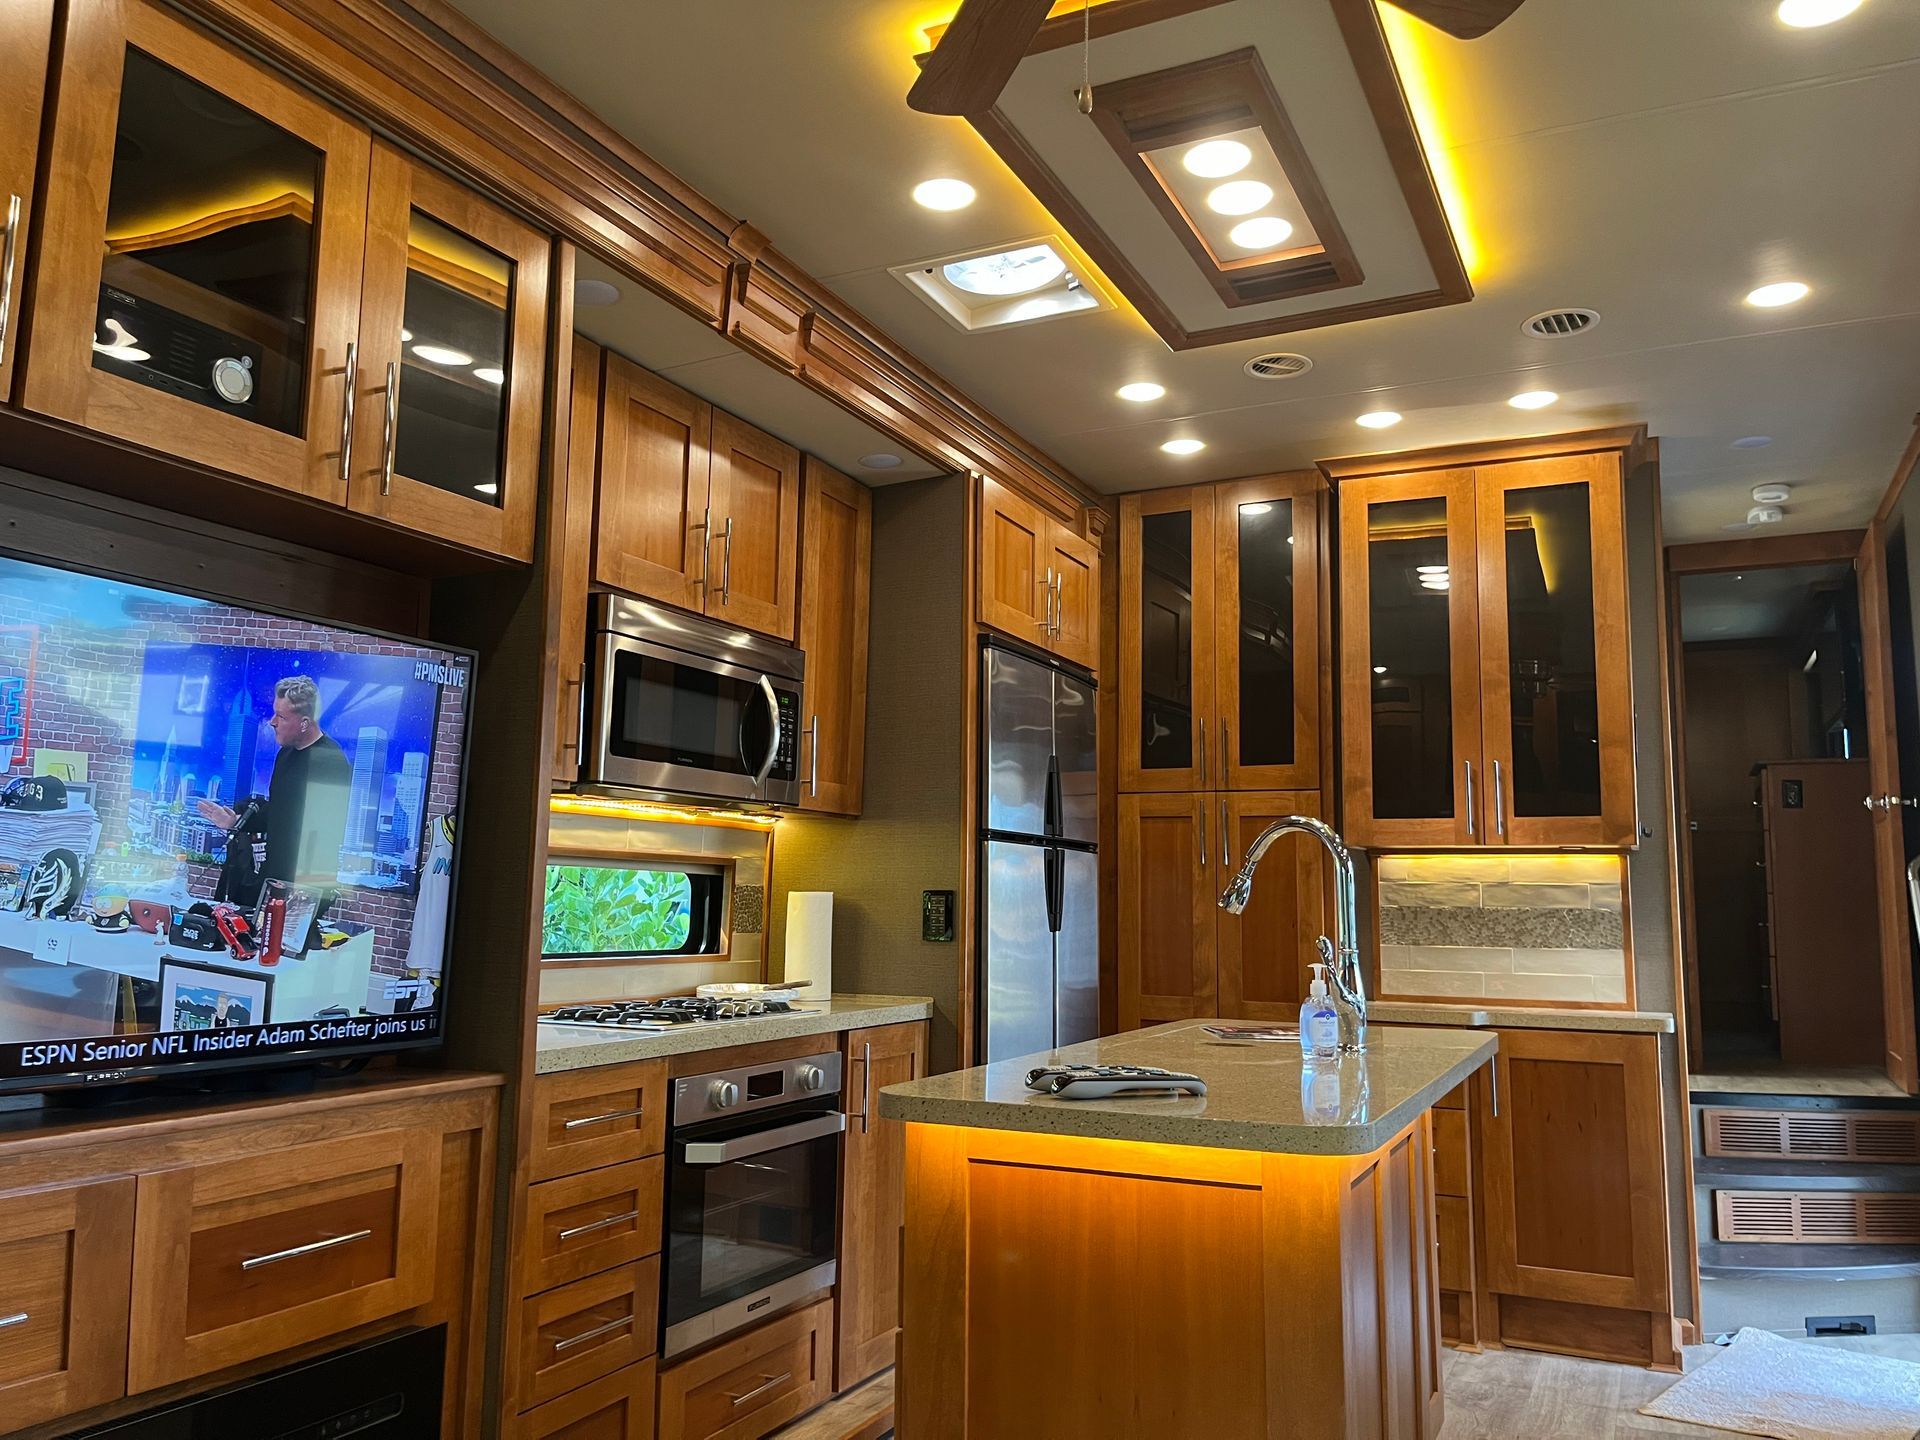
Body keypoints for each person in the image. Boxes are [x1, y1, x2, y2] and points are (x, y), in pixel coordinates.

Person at [197, 676, 352, 891]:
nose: (272, 722)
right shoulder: (286, 754)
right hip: (275, 880)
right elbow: (279, 813)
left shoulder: (330, 763)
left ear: (305, 723)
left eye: (281, 716)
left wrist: (298, 888)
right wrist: (236, 821)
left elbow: (325, 835)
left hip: (305, 888)